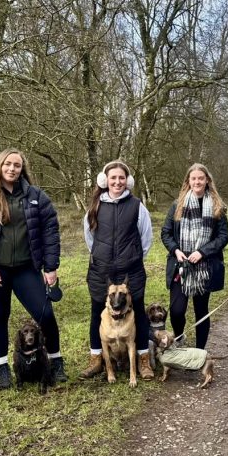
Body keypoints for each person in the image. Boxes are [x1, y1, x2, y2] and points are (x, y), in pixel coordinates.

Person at [0, 149, 66, 389]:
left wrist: (50, 266)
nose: (12, 169)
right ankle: (2, 369)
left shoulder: (36, 196)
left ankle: (56, 361)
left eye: (17, 165)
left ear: (22, 169)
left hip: (26, 269)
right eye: (7, 164)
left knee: (46, 315)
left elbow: (50, 231)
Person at [80, 160, 155, 380]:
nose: (117, 182)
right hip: (101, 272)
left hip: (131, 271)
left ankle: (143, 360)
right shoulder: (95, 206)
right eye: (113, 177)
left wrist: (133, 257)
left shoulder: (137, 206)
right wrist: (101, 256)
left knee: (137, 311)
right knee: (97, 311)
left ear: (127, 181)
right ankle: (96, 359)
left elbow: (146, 238)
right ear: (105, 180)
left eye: (122, 177)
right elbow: (90, 238)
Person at [160, 163, 228, 349]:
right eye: (194, 178)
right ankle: (179, 338)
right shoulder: (177, 205)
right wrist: (176, 250)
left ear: (207, 180)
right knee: (176, 311)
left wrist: (202, 252)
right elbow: (166, 233)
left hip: (204, 267)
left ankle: (200, 351)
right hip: (181, 265)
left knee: (201, 311)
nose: (197, 182)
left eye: (201, 178)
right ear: (188, 181)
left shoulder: (217, 206)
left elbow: (224, 236)